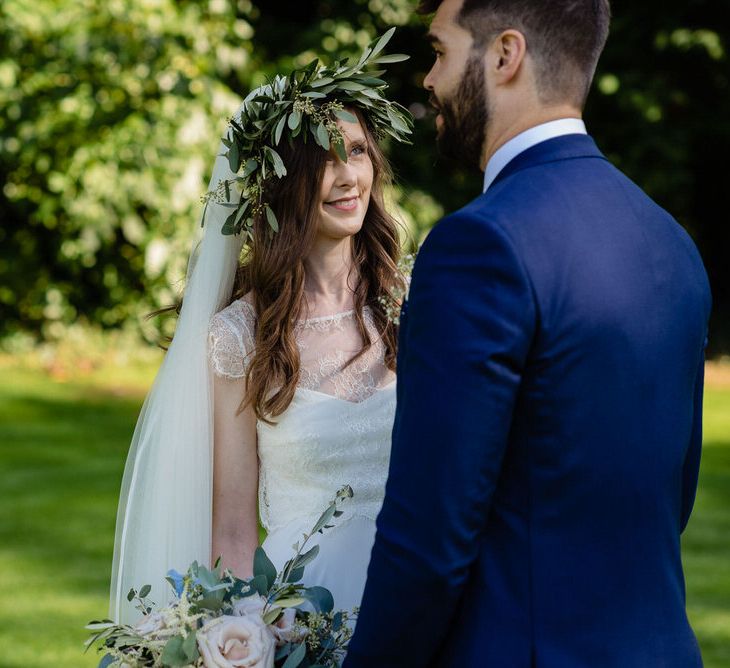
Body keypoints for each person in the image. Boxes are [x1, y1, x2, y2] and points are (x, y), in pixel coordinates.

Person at [344, 1, 712, 666]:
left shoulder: (478, 244)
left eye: (440, 51)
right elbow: (671, 499)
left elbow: (428, 544)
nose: (429, 80)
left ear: (505, 56)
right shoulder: (670, 242)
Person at [109, 34, 413, 623]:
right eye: (325, 159)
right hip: (306, 619)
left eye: (356, 150)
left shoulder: (412, 305)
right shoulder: (240, 337)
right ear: (283, 184)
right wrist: (242, 633)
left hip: (417, 596)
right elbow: (231, 521)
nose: (348, 175)